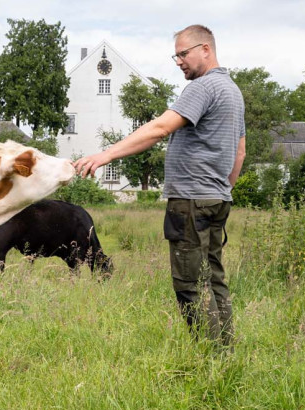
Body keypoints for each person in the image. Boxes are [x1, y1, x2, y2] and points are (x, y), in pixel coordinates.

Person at [74, 25, 245, 346]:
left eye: (184, 53)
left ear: (205, 49)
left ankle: (211, 357)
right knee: (214, 280)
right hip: (217, 198)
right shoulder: (233, 91)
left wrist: (105, 154)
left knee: (190, 285)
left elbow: (161, 127)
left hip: (192, 200)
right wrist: (223, 192)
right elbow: (240, 152)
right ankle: (226, 349)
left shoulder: (202, 87)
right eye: (175, 55)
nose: (178, 61)